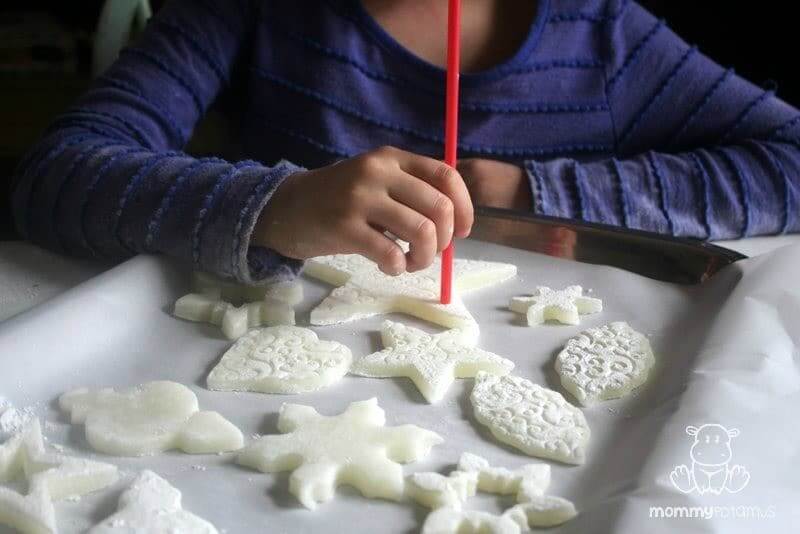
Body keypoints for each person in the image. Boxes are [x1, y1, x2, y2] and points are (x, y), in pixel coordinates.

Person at [11, 0, 800, 283]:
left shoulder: (604, 33)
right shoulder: (252, 10)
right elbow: (53, 176)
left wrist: (532, 196)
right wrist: (275, 205)